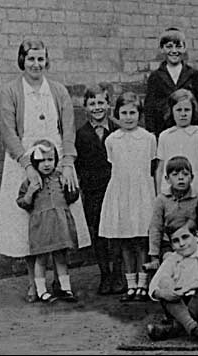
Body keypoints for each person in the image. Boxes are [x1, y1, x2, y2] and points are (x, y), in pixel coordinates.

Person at [0, 39, 90, 303]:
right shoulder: (11, 91)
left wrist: (68, 163)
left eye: (40, 59)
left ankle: (62, 281)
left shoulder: (58, 91)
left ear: (46, 61)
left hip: (56, 162)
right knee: (30, 220)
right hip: (22, 161)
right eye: (31, 59)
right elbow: (8, 132)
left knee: (59, 217)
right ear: (22, 60)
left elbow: (68, 129)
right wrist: (27, 166)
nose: (36, 64)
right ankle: (34, 283)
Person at [99, 92, 157, 302]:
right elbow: (113, 164)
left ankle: (143, 284)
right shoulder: (112, 140)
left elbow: (150, 166)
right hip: (121, 193)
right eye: (124, 113)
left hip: (141, 193)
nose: (128, 117)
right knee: (124, 241)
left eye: (133, 112)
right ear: (117, 115)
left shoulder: (149, 138)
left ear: (139, 114)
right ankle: (130, 285)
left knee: (141, 240)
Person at [16, 139, 80, 303]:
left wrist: (70, 186)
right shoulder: (31, 181)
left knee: (60, 257)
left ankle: (65, 289)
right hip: (42, 225)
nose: (46, 164)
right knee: (42, 258)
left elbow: (72, 197)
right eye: (41, 161)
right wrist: (30, 192)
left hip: (59, 223)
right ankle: (42, 290)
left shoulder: (60, 177)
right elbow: (22, 202)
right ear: (34, 162)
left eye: (50, 160)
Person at [75, 83, 122, 295]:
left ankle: (119, 274)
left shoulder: (119, 130)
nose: (97, 107)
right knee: (99, 233)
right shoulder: (81, 134)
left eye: (101, 102)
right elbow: (79, 165)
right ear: (85, 107)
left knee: (119, 232)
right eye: (92, 103)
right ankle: (105, 274)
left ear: (109, 104)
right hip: (94, 191)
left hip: (118, 188)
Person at [146, 219, 198, 344]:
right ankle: (194, 329)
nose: (181, 244)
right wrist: (164, 293)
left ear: (197, 236)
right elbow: (153, 285)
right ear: (171, 245)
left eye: (185, 237)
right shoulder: (172, 259)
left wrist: (190, 287)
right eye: (176, 241)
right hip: (179, 304)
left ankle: (173, 328)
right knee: (164, 282)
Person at [145, 156, 198, 275]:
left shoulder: (197, 198)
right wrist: (154, 255)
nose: (181, 178)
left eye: (185, 174)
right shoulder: (161, 199)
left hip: (191, 242)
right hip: (169, 243)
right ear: (167, 179)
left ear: (192, 178)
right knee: (171, 261)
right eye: (175, 175)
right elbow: (155, 227)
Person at [144, 27, 198, 138]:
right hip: (163, 130)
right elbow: (149, 108)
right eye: (169, 47)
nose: (174, 51)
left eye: (178, 46)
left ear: (184, 48)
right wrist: (151, 132)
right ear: (162, 49)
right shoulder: (155, 77)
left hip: (189, 130)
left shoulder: (193, 74)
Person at [155, 89, 198, 197]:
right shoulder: (165, 136)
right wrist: (158, 193)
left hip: (195, 190)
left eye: (187, 110)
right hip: (169, 190)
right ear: (171, 111)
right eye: (178, 110)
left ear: (193, 111)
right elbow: (160, 167)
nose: (183, 114)